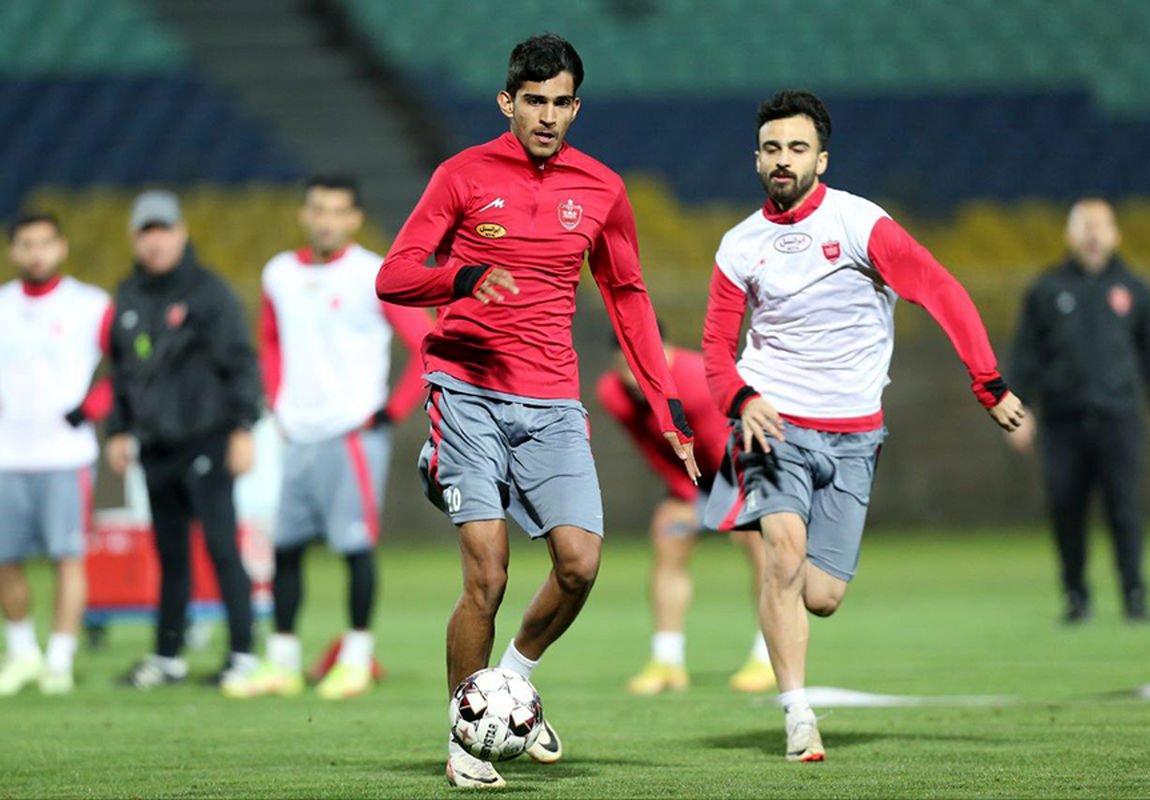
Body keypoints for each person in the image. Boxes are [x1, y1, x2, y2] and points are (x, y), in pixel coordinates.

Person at [376, 34, 698, 789]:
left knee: (580, 564)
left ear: (576, 107)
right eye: (534, 102)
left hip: (551, 398)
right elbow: (394, 275)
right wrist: (462, 278)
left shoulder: (603, 188)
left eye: (561, 103)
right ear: (507, 102)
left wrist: (667, 407)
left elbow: (627, 296)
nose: (548, 116)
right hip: (466, 388)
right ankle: (465, 742)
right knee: (487, 576)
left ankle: (510, 686)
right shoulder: (462, 174)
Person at [701, 90, 1024, 763]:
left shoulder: (860, 224)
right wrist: (739, 398)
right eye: (771, 148)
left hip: (854, 433)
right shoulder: (739, 245)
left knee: (822, 596)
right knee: (783, 554)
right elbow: (715, 350)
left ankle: (792, 658)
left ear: (822, 158)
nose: (783, 160)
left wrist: (987, 381)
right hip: (773, 422)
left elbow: (940, 289)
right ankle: (798, 716)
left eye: (797, 148)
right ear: (756, 159)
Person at [224, 175, 432, 700]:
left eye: (338, 211)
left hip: (352, 434)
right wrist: (278, 402)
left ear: (355, 219)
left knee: (355, 548)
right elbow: (270, 340)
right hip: (296, 434)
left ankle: (355, 661)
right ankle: (283, 664)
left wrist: (391, 411)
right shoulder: (280, 273)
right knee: (286, 549)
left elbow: (427, 342)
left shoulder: (375, 274)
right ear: (304, 214)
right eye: (318, 209)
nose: (326, 221)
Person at [105, 190, 262, 690]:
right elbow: (121, 369)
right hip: (156, 445)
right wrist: (118, 428)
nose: (155, 242)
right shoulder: (128, 294)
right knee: (169, 555)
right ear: (134, 238)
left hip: (205, 438)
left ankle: (243, 655)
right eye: (146, 232)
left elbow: (240, 361)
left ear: (181, 233)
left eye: (163, 231)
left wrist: (243, 426)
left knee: (221, 547)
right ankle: (168, 656)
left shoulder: (208, 291)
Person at [1006, 198, 1150, 623]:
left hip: (1118, 418)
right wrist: (1017, 407)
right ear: (1070, 234)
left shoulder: (1134, 289)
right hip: (1063, 422)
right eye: (1085, 225)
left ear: (1115, 234)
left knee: (1125, 508)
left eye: (1101, 225)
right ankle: (1076, 597)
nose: (1093, 233)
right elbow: (1025, 354)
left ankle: (1134, 596)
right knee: (1066, 509)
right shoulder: (1047, 289)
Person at [595, 336, 773, 695]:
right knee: (668, 533)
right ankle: (667, 661)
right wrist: (685, 494)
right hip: (693, 479)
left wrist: (736, 507)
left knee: (758, 543)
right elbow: (652, 449)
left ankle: (767, 656)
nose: (632, 377)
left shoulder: (696, 381)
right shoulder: (613, 393)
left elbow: (727, 446)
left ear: (664, 353)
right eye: (625, 366)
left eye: (640, 365)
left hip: (742, 467)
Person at [0, 213, 112, 696]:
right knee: (5, 559)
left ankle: (60, 659)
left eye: (44, 242)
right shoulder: (2, 305)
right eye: (26, 243)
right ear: (13, 250)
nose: (36, 252)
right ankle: (23, 652)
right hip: (7, 454)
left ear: (62, 247)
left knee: (68, 558)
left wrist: (94, 406)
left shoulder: (90, 304)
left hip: (66, 455)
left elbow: (128, 363)